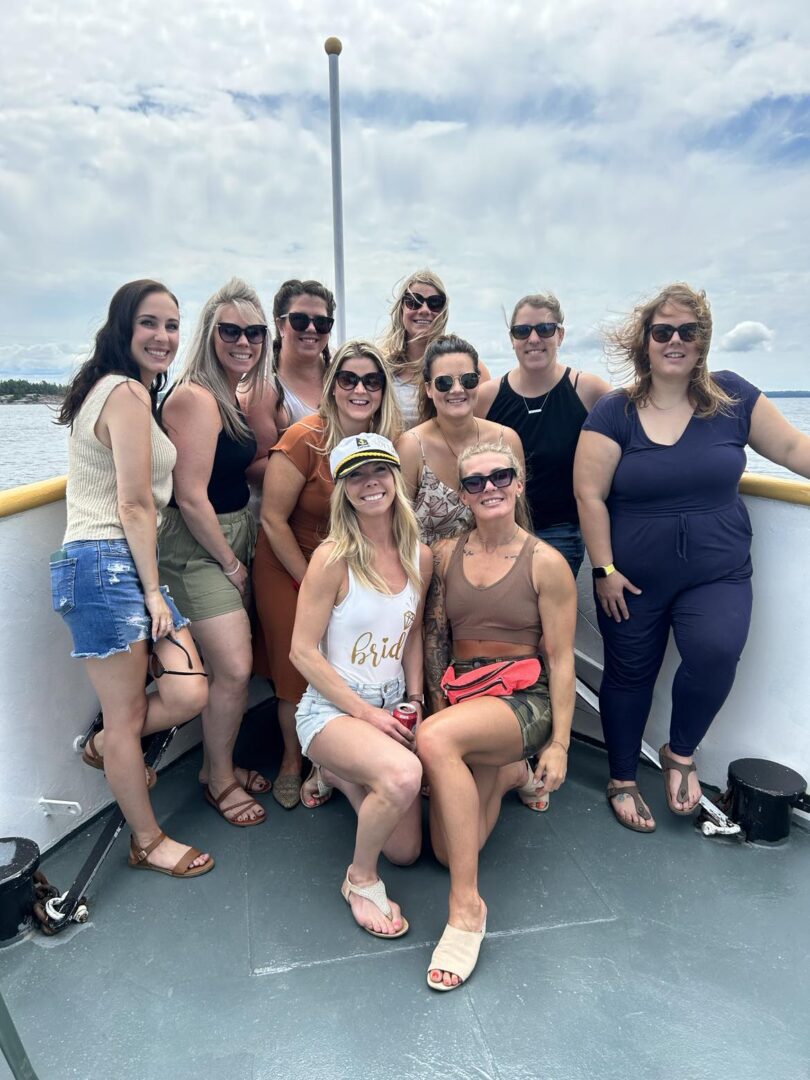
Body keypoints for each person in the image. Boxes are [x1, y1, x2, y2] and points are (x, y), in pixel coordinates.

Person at [574, 283, 810, 832]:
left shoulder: (732, 399)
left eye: (689, 331)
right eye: (663, 332)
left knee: (716, 652)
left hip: (718, 571)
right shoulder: (616, 412)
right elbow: (589, 494)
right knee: (630, 673)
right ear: (646, 342)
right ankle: (623, 777)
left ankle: (681, 753)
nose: (675, 341)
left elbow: (795, 448)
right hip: (631, 578)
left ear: (703, 341)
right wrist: (604, 570)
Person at [51, 280, 211, 877]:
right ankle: (147, 839)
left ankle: (102, 750)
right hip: (105, 565)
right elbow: (136, 504)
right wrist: (151, 592)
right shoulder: (123, 393)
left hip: (117, 565)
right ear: (123, 328)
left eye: (172, 325)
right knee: (126, 718)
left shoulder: (123, 391)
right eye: (150, 323)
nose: (164, 336)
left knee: (189, 690)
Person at [417, 442, 577, 989]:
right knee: (444, 850)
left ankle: (467, 908)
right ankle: (511, 775)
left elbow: (559, 661)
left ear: (519, 483)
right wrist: (436, 702)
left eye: (500, 477)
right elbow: (434, 636)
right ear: (462, 494)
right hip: (464, 698)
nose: (489, 488)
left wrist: (558, 743)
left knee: (435, 742)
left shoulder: (546, 563)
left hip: (522, 700)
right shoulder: (443, 554)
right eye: (476, 482)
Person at [289, 433, 432, 937]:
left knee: (408, 851)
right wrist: (367, 715)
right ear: (343, 489)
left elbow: (410, 633)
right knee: (400, 778)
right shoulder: (332, 557)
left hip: (393, 703)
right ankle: (360, 877)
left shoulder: (420, 555)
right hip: (332, 710)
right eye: (356, 475)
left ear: (396, 478)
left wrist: (414, 697)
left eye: (379, 472)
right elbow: (301, 651)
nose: (370, 483)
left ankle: (341, 773)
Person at [252, 341, 403, 808]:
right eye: (349, 379)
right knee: (296, 664)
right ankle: (293, 761)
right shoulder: (304, 438)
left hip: (352, 566)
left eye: (372, 380)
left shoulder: (386, 439)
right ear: (332, 383)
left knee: (346, 657)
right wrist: (305, 581)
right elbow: (273, 519)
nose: (360, 389)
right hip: (289, 564)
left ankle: (339, 758)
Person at [158, 278, 270, 827]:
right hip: (197, 548)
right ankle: (219, 780)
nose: (243, 340)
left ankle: (213, 767)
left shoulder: (229, 392)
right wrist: (231, 563)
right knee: (233, 667)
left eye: (253, 331)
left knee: (237, 670)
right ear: (211, 333)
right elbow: (189, 496)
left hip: (232, 531)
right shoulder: (195, 398)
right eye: (231, 330)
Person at [476, 292, 610, 577]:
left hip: (562, 529)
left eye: (545, 329)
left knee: (547, 615)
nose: (533, 339)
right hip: (502, 527)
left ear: (560, 335)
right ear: (512, 338)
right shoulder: (488, 396)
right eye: (522, 331)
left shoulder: (588, 391)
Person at [397, 334, 524, 544]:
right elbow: (399, 529)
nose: (457, 389)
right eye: (444, 382)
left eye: (468, 380)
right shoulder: (412, 447)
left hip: (494, 569)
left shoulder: (505, 440)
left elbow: (517, 521)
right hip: (429, 574)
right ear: (428, 388)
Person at [241, 278, 336, 497]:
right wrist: (322, 470)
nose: (312, 328)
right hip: (282, 518)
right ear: (281, 325)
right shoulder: (264, 391)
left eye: (322, 322)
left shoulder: (343, 378)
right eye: (299, 320)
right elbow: (253, 468)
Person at [379, 270, 492, 430]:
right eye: (414, 301)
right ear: (401, 308)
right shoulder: (382, 367)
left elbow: (481, 428)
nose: (424, 310)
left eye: (435, 303)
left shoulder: (473, 369)